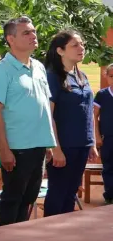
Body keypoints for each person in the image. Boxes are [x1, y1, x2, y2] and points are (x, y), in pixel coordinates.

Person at [0, 17, 56, 226]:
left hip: (38, 145)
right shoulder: (1, 71)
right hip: (17, 148)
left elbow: (44, 106)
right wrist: (3, 148)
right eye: (26, 33)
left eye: (33, 31)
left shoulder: (39, 67)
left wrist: (48, 143)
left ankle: (19, 239)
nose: (33, 36)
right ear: (10, 39)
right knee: (13, 198)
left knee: (29, 197)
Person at [43, 30, 97, 216]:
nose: (81, 48)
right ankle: (50, 230)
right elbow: (48, 115)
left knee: (71, 192)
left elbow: (89, 111)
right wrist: (55, 148)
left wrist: (91, 142)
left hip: (82, 144)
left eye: (82, 44)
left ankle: (65, 229)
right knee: (58, 193)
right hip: (64, 146)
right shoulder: (52, 77)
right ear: (60, 51)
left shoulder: (82, 76)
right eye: (75, 45)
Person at [93, 64, 113, 205]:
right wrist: (97, 136)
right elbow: (94, 116)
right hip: (108, 138)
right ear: (106, 77)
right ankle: (110, 196)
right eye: (112, 76)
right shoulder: (102, 95)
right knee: (108, 167)